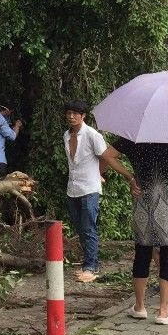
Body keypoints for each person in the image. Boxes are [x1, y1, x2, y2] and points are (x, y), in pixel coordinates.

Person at [107, 136, 168, 325]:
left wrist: (130, 176)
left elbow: (107, 155)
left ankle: (139, 306)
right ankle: (164, 311)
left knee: (142, 252)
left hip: (143, 203)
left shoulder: (133, 136)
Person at [64, 100, 109, 283]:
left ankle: (90, 267)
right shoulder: (66, 135)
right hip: (73, 187)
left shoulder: (92, 135)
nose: (71, 116)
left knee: (89, 227)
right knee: (80, 228)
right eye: (69, 113)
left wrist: (97, 174)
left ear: (83, 116)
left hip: (90, 188)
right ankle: (91, 263)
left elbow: (106, 158)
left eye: (76, 113)